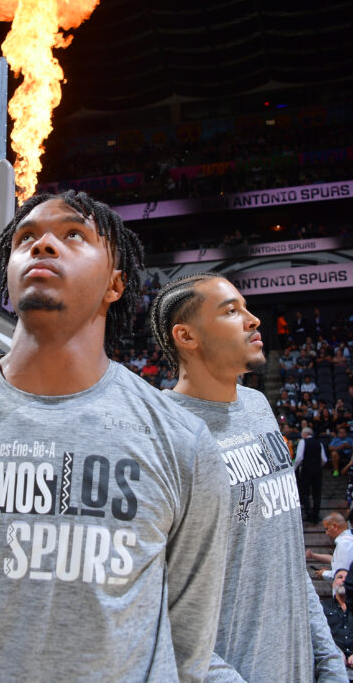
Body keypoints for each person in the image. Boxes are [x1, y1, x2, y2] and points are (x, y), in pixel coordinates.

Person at [0, 191, 230, 682]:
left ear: (115, 283)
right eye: (26, 238)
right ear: (6, 277)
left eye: (73, 234)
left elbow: (189, 647)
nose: (43, 245)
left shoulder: (183, 443)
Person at [150, 272, 346, 683]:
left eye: (246, 307)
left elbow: (288, 556)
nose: (253, 319)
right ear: (187, 336)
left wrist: (327, 660)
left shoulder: (258, 406)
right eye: (231, 311)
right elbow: (157, 608)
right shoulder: (162, 434)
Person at [307, 514, 353, 584]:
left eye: (327, 529)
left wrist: (324, 573)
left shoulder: (345, 544)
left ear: (334, 526)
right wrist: (314, 555)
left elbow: (343, 574)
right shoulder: (347, 541)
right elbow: (336, 560)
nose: (326, 533)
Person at [295, 427, 327, 523]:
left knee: (305, 492)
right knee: (317, 493)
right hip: (317, 470)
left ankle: (308, 513)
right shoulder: (319, 443)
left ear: (305, 434)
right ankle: (316, 514)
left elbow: (299, 457)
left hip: (306, 469)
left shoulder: (303, 442)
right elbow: (324, 459)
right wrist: (318, 465)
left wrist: (294, 468)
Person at [322, 570, 353, 671]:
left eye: (346, 578)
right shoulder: (323, 607)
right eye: (340, 577)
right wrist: (335, 651)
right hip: (333, 663)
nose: (343, 580)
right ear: (333, 584)